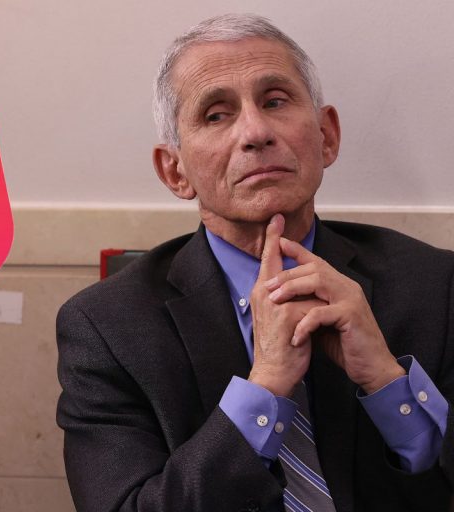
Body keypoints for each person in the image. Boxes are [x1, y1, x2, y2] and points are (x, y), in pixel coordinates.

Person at [55, 13, 453, 512]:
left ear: (327, 135)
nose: (256, 131)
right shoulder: (105, 327)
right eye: (216, 115)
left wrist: (387, 380)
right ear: (175, 171)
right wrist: (265, 386)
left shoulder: (435, 286)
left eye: (275, 101)